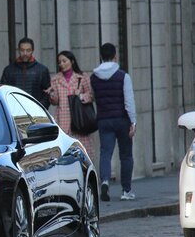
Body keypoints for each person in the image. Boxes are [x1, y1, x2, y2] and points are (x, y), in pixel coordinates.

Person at [90, 43, 137, 202]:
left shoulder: (93, 77)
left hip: (104, 119)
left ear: (101, 56)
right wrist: (133, 122)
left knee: (105, 153)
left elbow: (94, 97)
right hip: (122, 120)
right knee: (126, 155)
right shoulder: (123, 76)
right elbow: (128, 101)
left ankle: (104, 181)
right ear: (115, 56)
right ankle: (126, 190)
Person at [46, 51, 95, 161]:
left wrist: (81, 96)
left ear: (72, 61)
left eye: (64, 61)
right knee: (65, 152)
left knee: (83, 153)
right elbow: (55, 101)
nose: (62, 64)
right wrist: (52, 94)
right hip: (63, 118)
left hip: (79, 119)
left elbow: (91, 95)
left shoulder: (82, 77)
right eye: (59, 62)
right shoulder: (55, 79)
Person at [0, 37, 51, 109]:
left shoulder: (42, 70)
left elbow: (47, 94)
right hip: (14, 110)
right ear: (18, 50)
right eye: (22, 50)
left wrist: (38, 108)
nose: (25, 53)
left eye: (28, 50)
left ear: (32, 50)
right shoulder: (9, 70)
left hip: (36, 111)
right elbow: (3, 92)